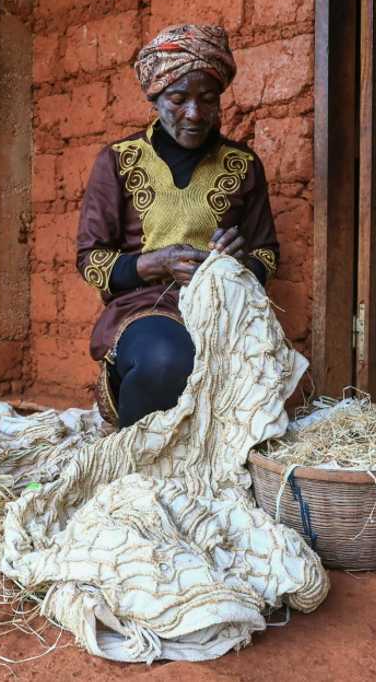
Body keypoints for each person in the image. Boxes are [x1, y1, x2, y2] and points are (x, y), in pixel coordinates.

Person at [76, 24, 280, 428]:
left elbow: (267, 254)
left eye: (208, 99)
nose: (195, 113)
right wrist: (157, 263)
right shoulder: (119, 160)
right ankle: (134, 452)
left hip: (224, 311)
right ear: (155, 97)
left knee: (263, 381)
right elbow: (91, 259)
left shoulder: (242, 164)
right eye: (178, 99)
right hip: (147, 307)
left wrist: (238, 266)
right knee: (166, 362)